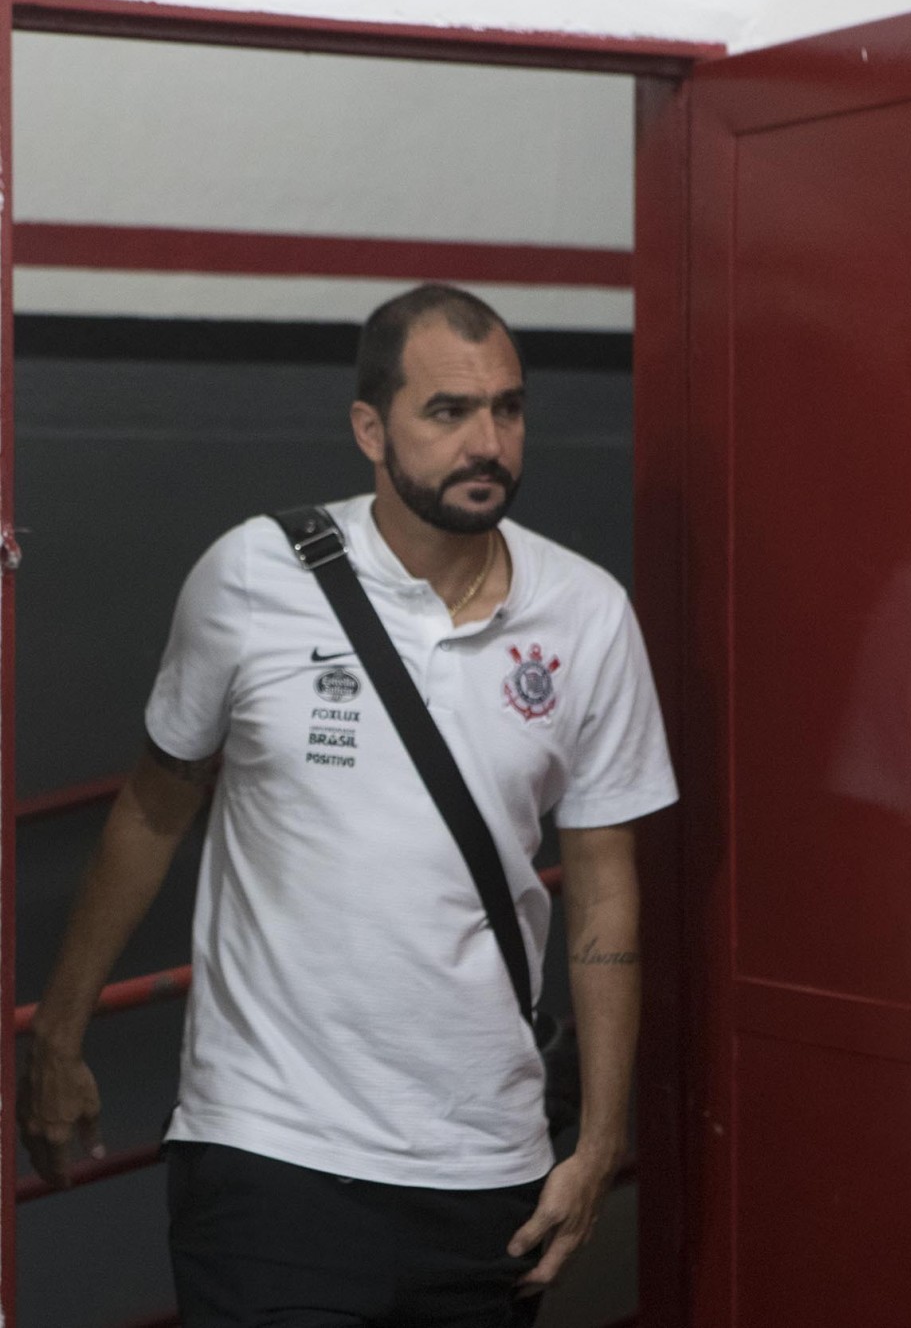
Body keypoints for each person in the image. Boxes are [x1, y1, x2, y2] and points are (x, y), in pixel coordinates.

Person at [18, 283, 678, 1327]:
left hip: (487, 1175)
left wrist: (595, 1144)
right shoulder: (250, 576)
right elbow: (150, 811)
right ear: (369, 427)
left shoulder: (587, 614)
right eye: (447, 411)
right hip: (271, 1157)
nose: (486, 441)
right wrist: (55, 1037)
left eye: (506, 408)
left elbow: (603, 889)